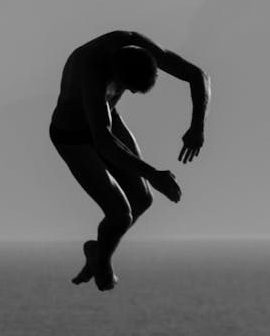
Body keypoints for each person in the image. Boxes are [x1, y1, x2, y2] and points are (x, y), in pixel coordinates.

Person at [48, 30, 209, 290]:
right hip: (73, 136)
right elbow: (104, 143)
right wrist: (153, 174)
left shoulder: (138, 45)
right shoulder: (92, 73)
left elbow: (197, 75)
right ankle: (101, 261)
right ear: (116, 74)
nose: (130, 93)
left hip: (106, 122)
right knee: (120, 214)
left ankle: (97, 253)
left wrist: (197, 126)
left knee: (143, 199)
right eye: (128, 88)